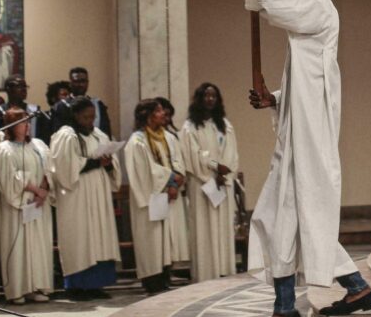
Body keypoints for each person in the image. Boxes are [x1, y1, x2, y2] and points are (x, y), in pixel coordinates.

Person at [242, 0, 371, 317]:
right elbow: (304, 87)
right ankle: (347, 291)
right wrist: (274, 99)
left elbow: (274, 5)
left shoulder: (320, 7)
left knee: (294, 218)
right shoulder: (304, 36)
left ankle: (288, 310)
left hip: (311, 138)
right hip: (298, 135)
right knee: (284, 220)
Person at [49, 98, 121, 300]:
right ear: (75, 116)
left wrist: (108, 163)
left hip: (98, 192)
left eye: (93, 117)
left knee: (99, 237)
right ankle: (77, 286)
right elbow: (63, 169)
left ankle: (96, 285)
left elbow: (112, 166)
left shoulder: (99, 135)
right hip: (76, 195)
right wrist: (94, 163)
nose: (90, 121)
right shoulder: (66, 136)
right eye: (85, 117)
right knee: (81, 238)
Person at [124, 99, 189, 294]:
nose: (163, 114)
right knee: (152, 240)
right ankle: (151, 281)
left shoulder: (168, 137)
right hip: (151, 197)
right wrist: (170, 179)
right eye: (159, 111)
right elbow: (144, 171)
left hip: (168, 195)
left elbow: (178, 161)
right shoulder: (137, 141)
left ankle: (165, 275)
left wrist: (176, 182)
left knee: (166, 240)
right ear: (148, 116)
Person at [181, 83, 240, 282]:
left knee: (222, 227)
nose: (210, 99)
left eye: (213, 96)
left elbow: (232, 153)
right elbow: (193, 154)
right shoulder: (190, 127)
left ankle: (224, 269)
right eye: (206, 96)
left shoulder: (225, 125)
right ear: (199, 99)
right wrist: (215, 167)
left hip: (222, 183)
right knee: (204, 229)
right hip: (202, 183)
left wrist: (225, 173)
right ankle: (205, 273)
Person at [0, 106, 54, 303]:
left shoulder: (38, 145)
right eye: (21, 122)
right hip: (19, 206)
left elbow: (49, 168)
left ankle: (36, 287)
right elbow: (10, 177)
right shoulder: (5, 149)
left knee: (37, 245)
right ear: (11, 126)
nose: (27, 125)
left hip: (38, 203)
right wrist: (35, 190)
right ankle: (18, 290)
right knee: (19, 247)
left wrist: (43, 190)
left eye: (28, 121)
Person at [66, 67, 113, 138]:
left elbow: (105, 130)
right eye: (77, 81)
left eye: (83, 81)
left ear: (87, 83)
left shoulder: (97, 104)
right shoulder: (62, 106)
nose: (80, 85)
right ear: (70, 83)